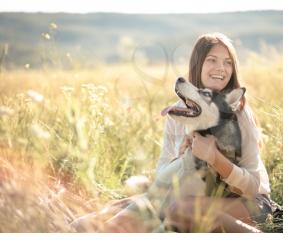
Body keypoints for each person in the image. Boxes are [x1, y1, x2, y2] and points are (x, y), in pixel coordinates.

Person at [104, 32, 272, 233]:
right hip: (194, 196)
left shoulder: (238, 111)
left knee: (180, 210)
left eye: (228, 62)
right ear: (198, 64)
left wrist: (214, 157)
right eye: (212, 60)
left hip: (247, 202)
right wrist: (182, 154)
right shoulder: (179, 112)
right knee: (104, 218)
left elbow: (252, 187)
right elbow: (162, 174)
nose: (221, 68)